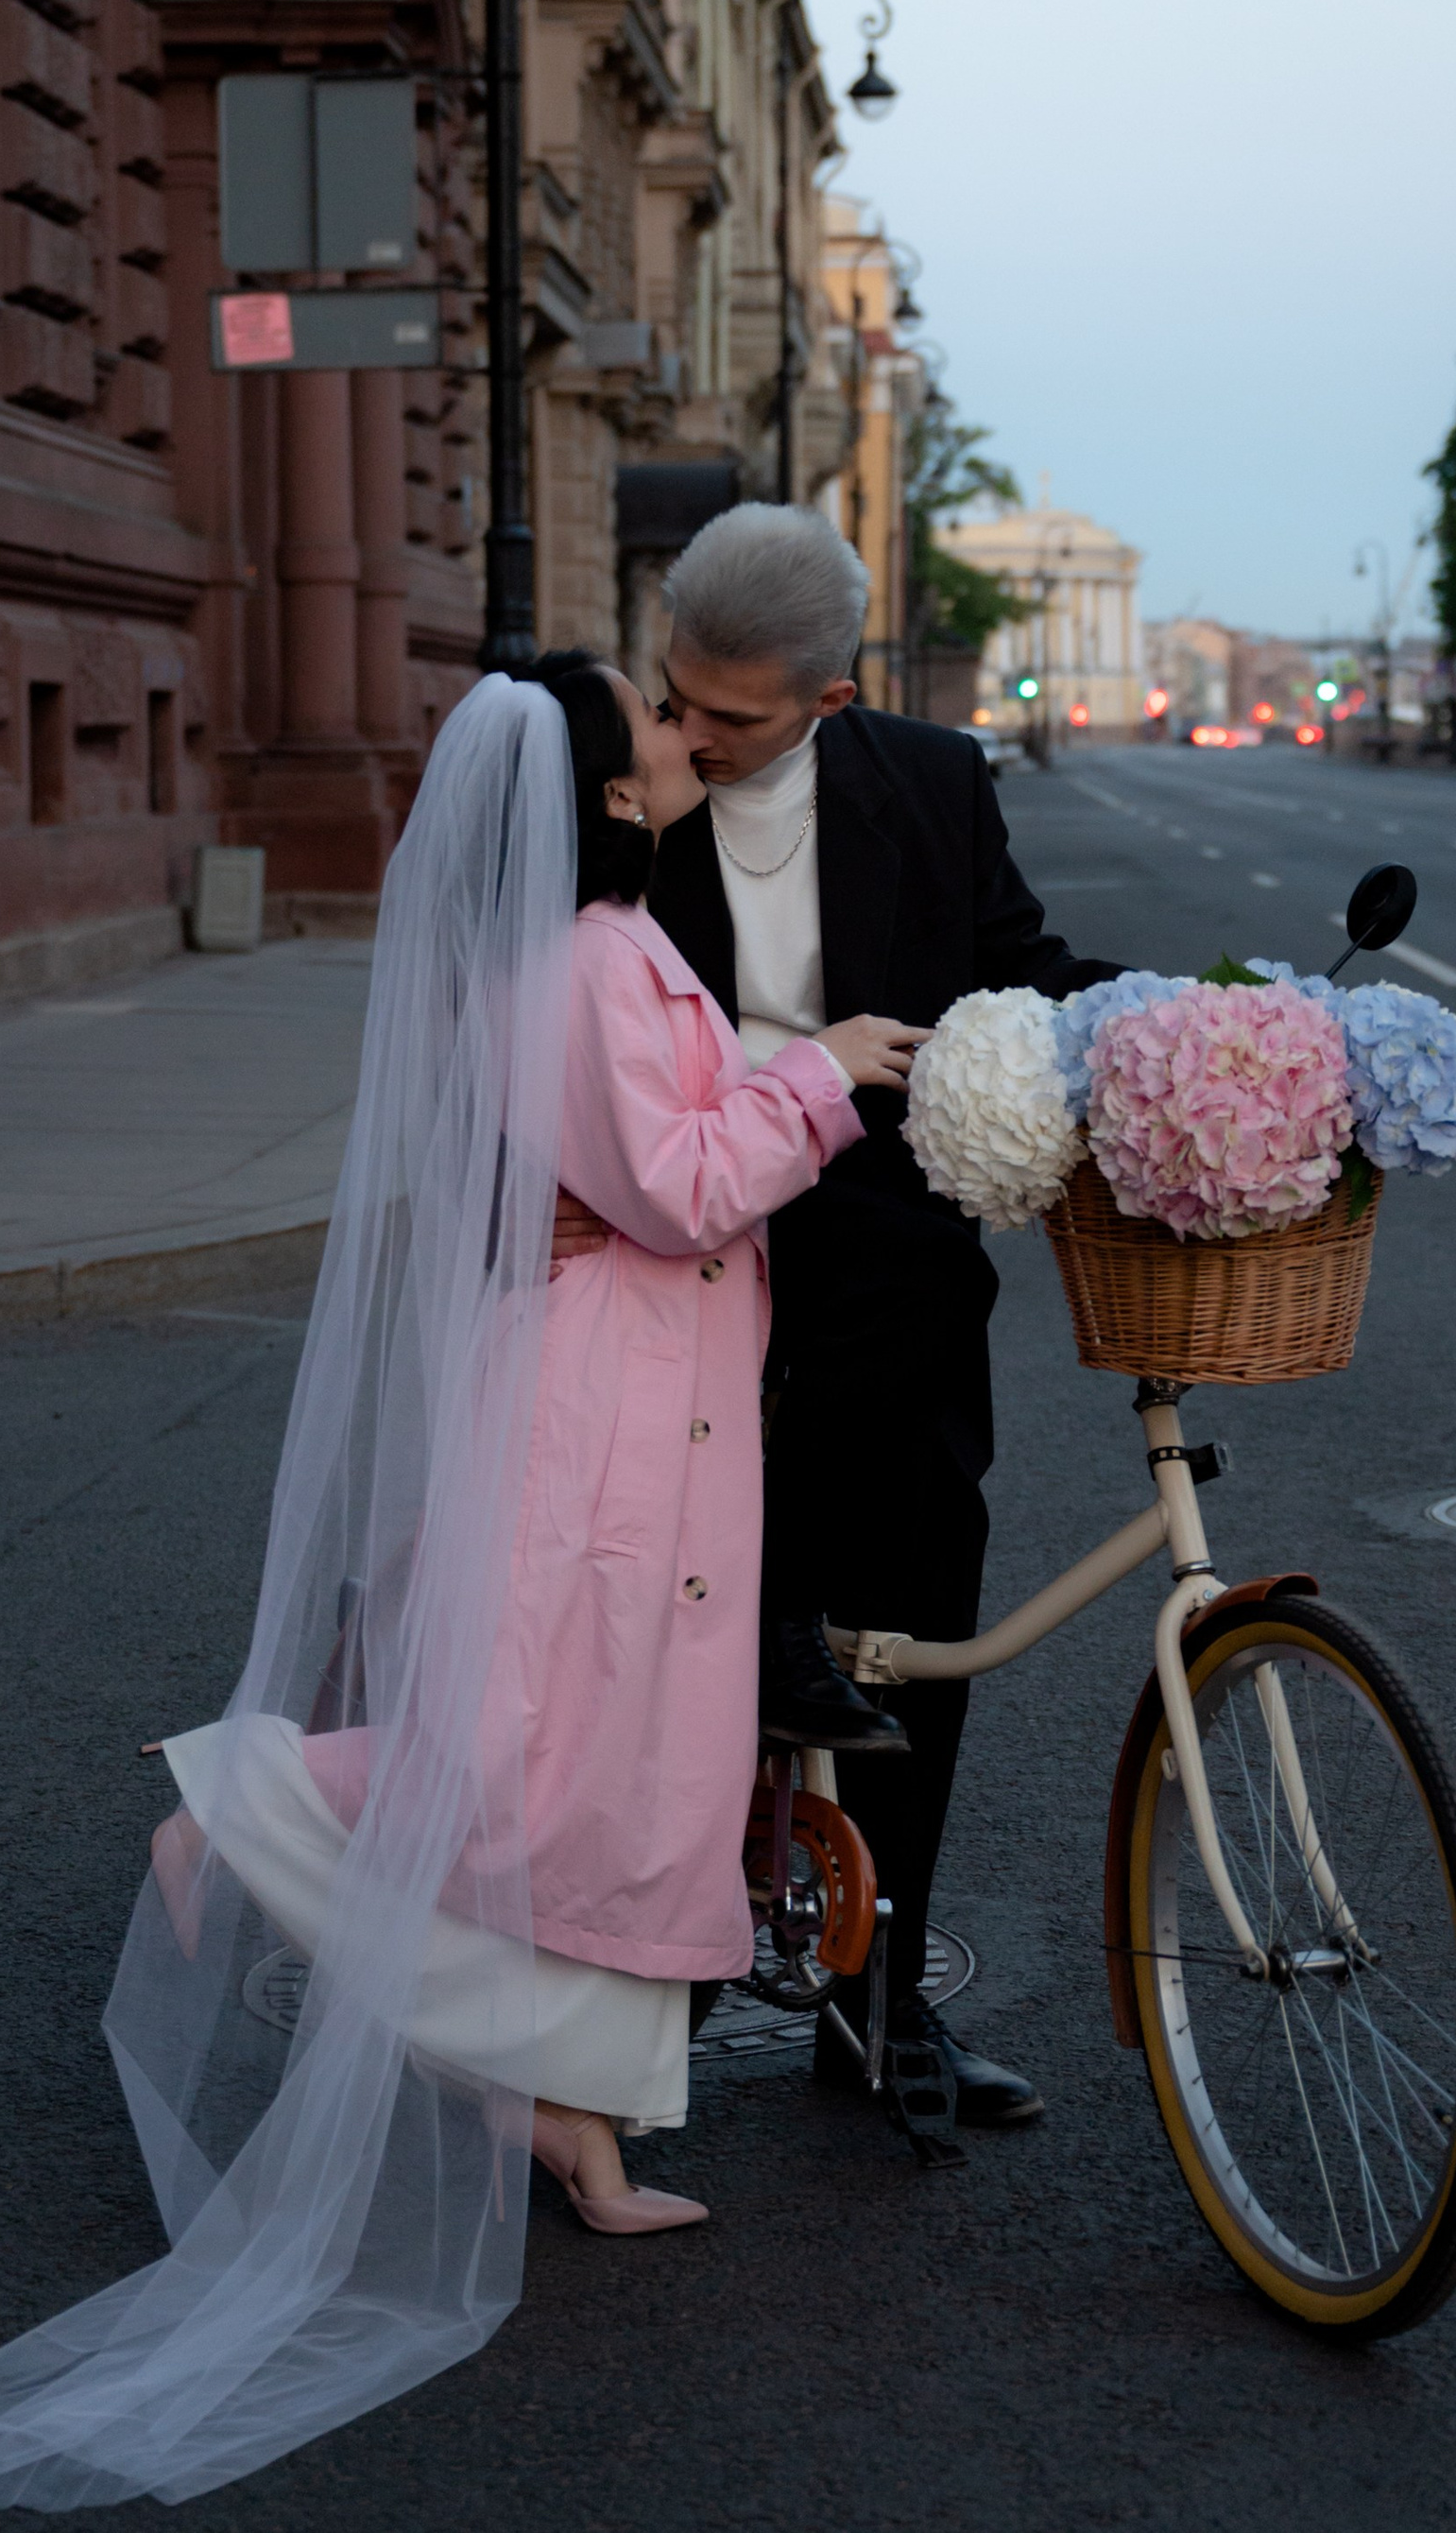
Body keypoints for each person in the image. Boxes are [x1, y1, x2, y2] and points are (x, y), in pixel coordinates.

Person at [0, 663, 919, 2508]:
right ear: (601, 795)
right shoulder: (573, 965)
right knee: (520, 1755)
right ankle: (236, 1813)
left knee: (632, 1782)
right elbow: (678, 1180)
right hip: (594, 1420)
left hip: (657, 1411)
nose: (679, 739)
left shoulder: (614, 939)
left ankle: (572, 2121)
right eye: (648, 726)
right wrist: (824, 1074)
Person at [568, 504, 1123, 2147]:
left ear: (831, 695)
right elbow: (524, 988)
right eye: (676, 700)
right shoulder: (625, 794)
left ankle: (882, 2010)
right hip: (677, 1238)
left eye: (730, 717)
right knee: (651, 1636)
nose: (688, 737)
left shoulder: (936, 783)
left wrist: (1187, 1033)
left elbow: (1020, 981)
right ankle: (602, 1987)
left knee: (914, 1622)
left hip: (882, 1245)